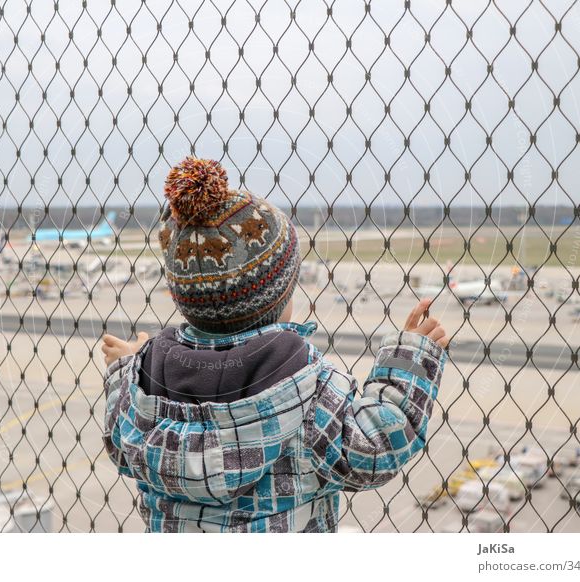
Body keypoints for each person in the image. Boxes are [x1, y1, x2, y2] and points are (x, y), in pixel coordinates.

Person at [101, 156, 450, 532]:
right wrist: (410, 360)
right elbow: (375, 450)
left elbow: (119, 436)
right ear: (280, 296)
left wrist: (128, 368)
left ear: (181, 296)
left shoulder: (147, 385)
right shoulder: (307, 390)